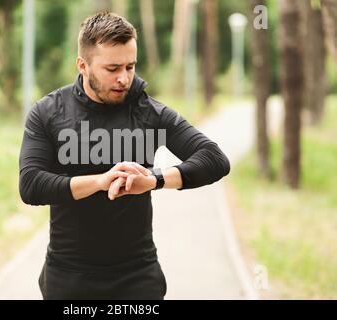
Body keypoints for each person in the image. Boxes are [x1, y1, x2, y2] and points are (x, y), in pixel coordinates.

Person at [19, 12, 230, 300]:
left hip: (137, 278)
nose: (124, 78)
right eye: (113, 68)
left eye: (130, 66)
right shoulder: (48, 112)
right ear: (83, 65)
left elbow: (214, 159)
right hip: (68, 277)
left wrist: (154, 180)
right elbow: (31, 185)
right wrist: (100, 182)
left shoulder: (149, 112)